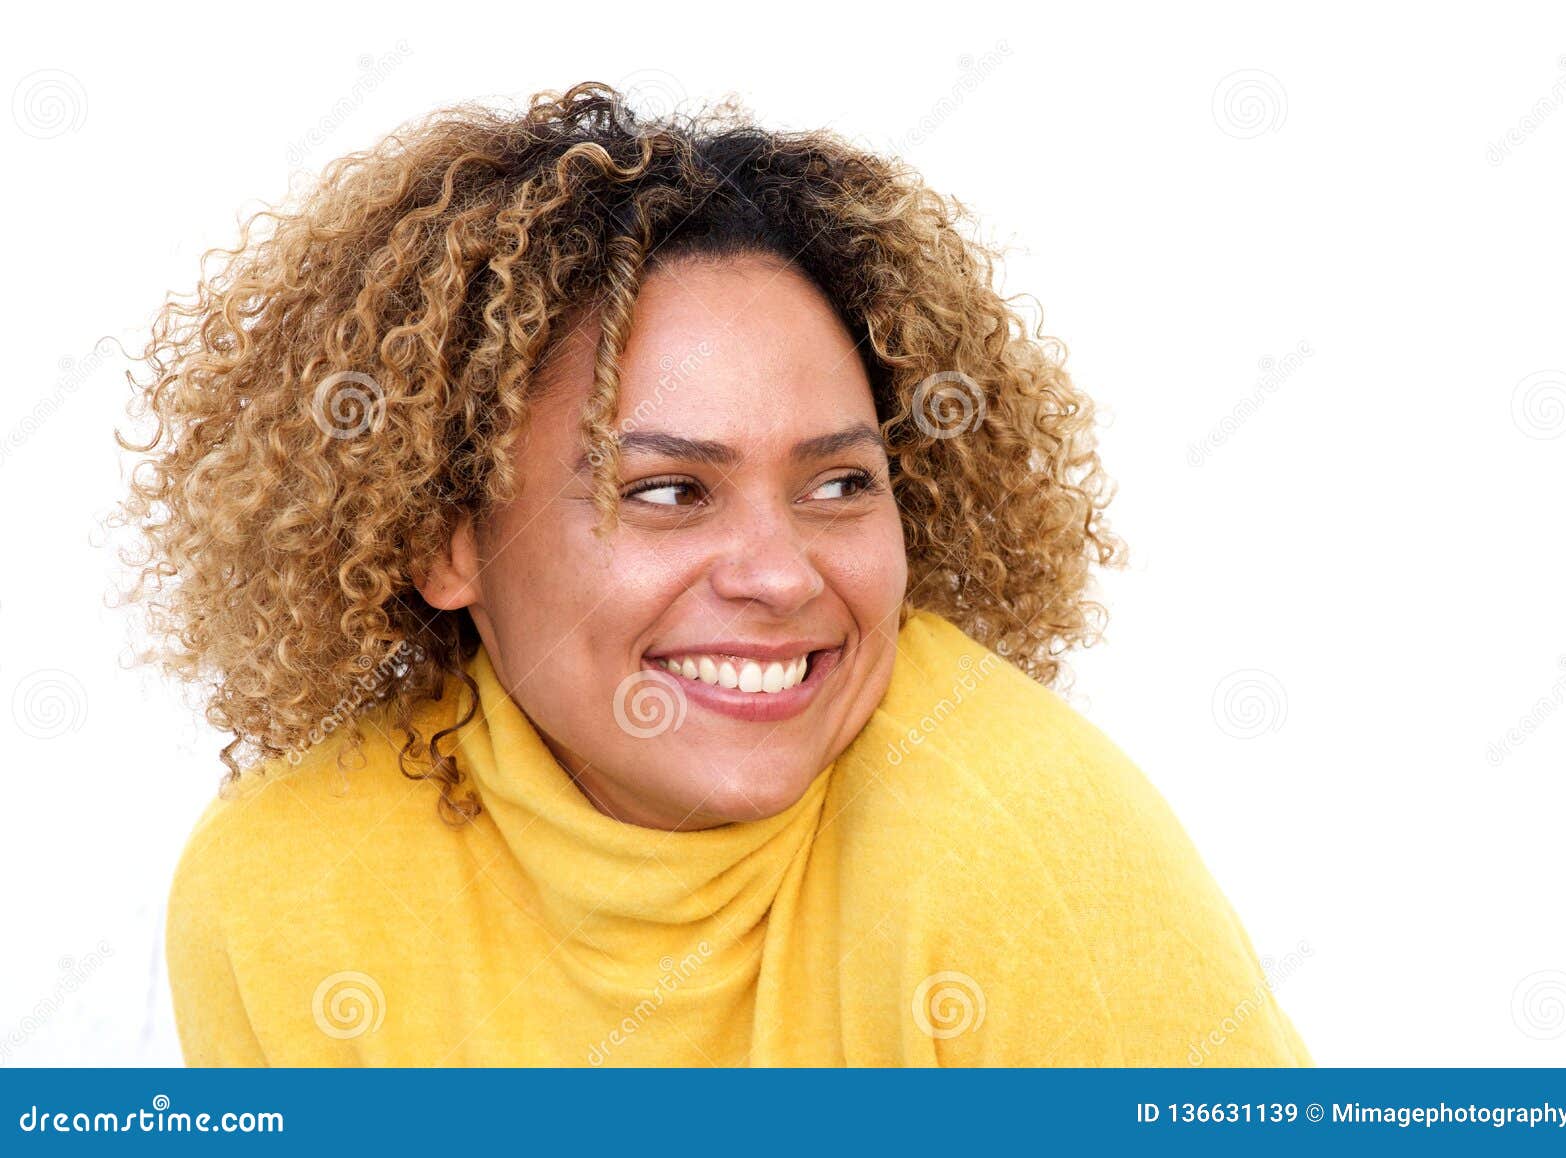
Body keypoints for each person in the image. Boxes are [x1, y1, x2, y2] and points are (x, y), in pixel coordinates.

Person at [116, 82, 1312, 1066]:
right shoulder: (282, 887)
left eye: (840, 483)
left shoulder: (1022, 847)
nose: (780, 576)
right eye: (667, 492)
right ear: (446, 540)